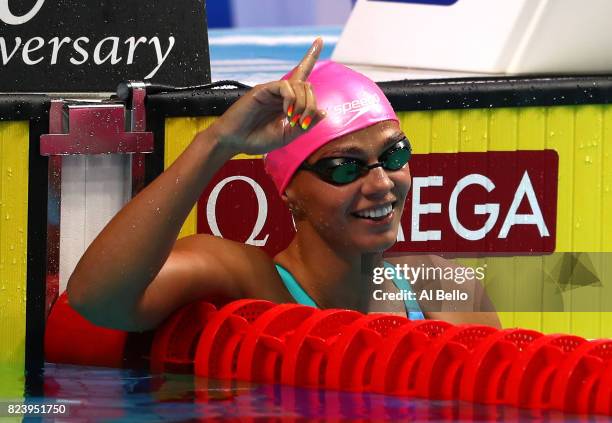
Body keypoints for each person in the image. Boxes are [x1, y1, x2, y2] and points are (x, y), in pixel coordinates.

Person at [67, 38, 500, 331]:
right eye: (345, 168)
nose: (381, 183)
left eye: (394, 155)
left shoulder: (446, 290)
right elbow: (97, 299)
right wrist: (217, 143)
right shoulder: (248, 280)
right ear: (290, 191)